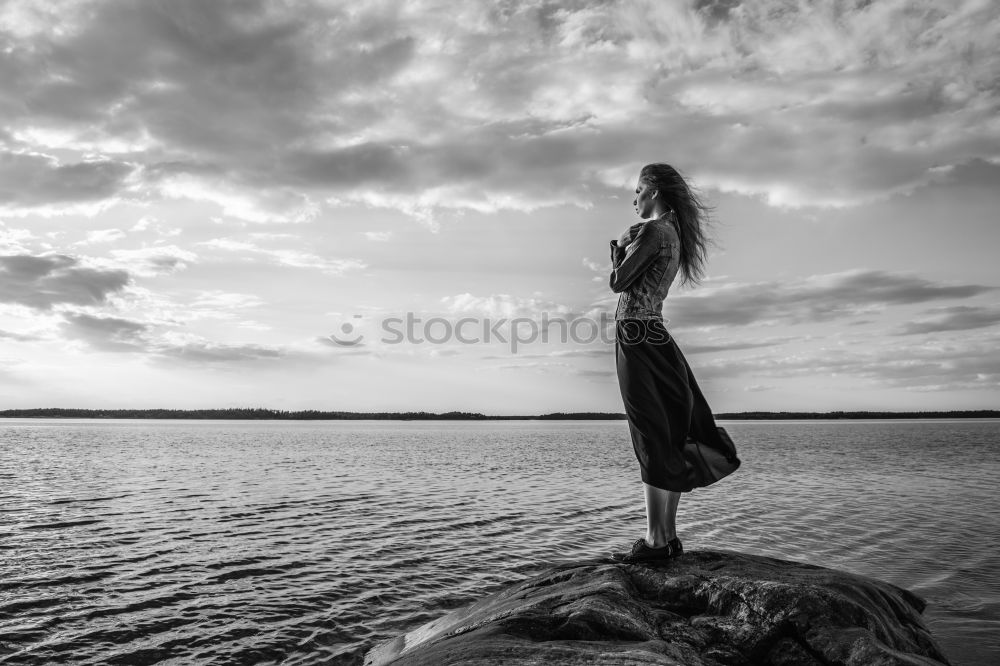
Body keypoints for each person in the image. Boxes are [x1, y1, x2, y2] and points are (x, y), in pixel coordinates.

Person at [609, 163, 741, 564]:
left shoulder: (651, 232)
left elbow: (619, 282)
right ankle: (666, 536)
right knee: (667, 433)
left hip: (636, 335)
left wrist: (617, 250)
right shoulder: (674, 235)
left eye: (637, 191)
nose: (633, 199)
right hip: (657, 336)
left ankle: (654, 541)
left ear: (652, 191)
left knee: (650, 434)